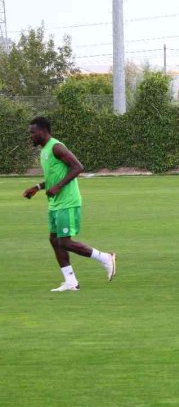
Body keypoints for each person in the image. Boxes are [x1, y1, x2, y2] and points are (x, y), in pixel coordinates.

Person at [22, 117, 117, 292]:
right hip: (55, 204)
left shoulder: (56, 147)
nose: (31, 136)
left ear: (43, 131)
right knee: (54, 240)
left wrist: (58, 187)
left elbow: (78, 167)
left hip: (68, 202)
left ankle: (105, 258)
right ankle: (71, 281)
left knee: (64, 242)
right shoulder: (44, 151)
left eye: (33, 133)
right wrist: (37, 187)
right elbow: (54, 178)